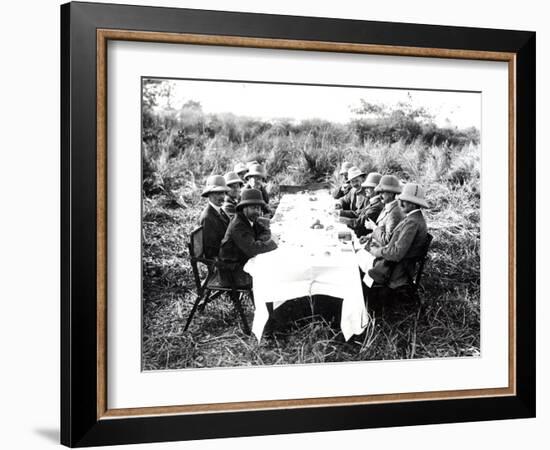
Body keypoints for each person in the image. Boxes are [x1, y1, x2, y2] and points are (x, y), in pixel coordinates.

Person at [368, 183, 430, 297]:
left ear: (415, 204)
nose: (400, 203)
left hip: (396, 272)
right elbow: (394, 240)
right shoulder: (412, 218)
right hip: (394, 267)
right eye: (401, 199)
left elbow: (396, 254)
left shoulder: (412, 222)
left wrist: (377, 252)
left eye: (406, 200)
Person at [219, 189, 278, 286]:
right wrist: (272, 243)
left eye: (259, 208)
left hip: (242, 260)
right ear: (244, 208)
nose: (257, 212)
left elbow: (265, 230)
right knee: (270, 271)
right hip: (232, 271)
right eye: (253, 208)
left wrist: (260, 241)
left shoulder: (250, 218)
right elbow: (253, 249)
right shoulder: (238, 225)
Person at [361, 174, 404, 247]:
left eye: (383, 192)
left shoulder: (394, 213)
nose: (380, 195)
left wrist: (373, 227)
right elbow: (382, 230)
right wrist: (368, 237)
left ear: (391, 193)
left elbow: (387, 241)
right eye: (379, 192)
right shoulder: (388, 206)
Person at [199, 175, 231, 259]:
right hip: (223, 260)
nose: (222, 197)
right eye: (218, 193)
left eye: (223, 193)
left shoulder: (221, 211)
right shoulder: (207, 217)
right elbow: (211, 251)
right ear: (209, 195)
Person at [352, 172, 384, 237]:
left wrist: (340, 218)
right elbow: (358, 213)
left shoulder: (377, 206)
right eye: (366, 187)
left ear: (377, 189)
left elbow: (360, 224)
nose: (365, 189)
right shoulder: (371, 202)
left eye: (369, 187)